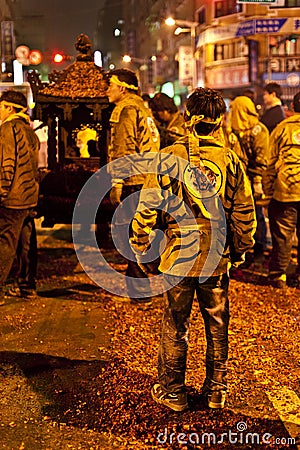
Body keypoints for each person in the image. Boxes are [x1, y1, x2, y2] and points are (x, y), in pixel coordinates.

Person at [130, 87, 256, 411]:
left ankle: (173, 391)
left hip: (177, 255)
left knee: (176, 323)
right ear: (220, 121)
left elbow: (147, 207)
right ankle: (217, 390)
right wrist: (239, 251)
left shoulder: (169, 156)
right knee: (217, 323)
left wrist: (142, 246)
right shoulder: (230, 159)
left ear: (186, 119)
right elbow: (244, 212)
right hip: (215, 257)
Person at [106, 68, 160, 304]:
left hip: (134, 180)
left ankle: (140, 293)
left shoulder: (125, 109)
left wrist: (117, 182)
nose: (107, 90)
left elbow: (124, 150)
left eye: (110, 85)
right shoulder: (142, 107)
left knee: (128, 235)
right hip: (148, 177)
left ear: (123, 88)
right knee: (141, 232)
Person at [0, 90, 40, 305]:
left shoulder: (8, 129)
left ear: (9, 108)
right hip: (29, 196)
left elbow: (7, 164)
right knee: (26, 243)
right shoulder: (29, 130)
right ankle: (27, 287)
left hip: (13, 197)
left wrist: (2, 192)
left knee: (5, 243)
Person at [263, 91, 300, 289]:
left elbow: (270, 163)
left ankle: (278, 276)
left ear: (292, 107)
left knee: (283, 236)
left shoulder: (281, 129)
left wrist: (268, 192)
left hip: (286, 190)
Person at [230, 95, 269, 265]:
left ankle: (258, 251)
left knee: (257, 216)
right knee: (244, 216)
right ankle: (248, 252)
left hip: (253, 182)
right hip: (243, 181)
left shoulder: (257, 131)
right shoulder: (234, 131)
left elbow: (262, 159)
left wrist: (257, 181)